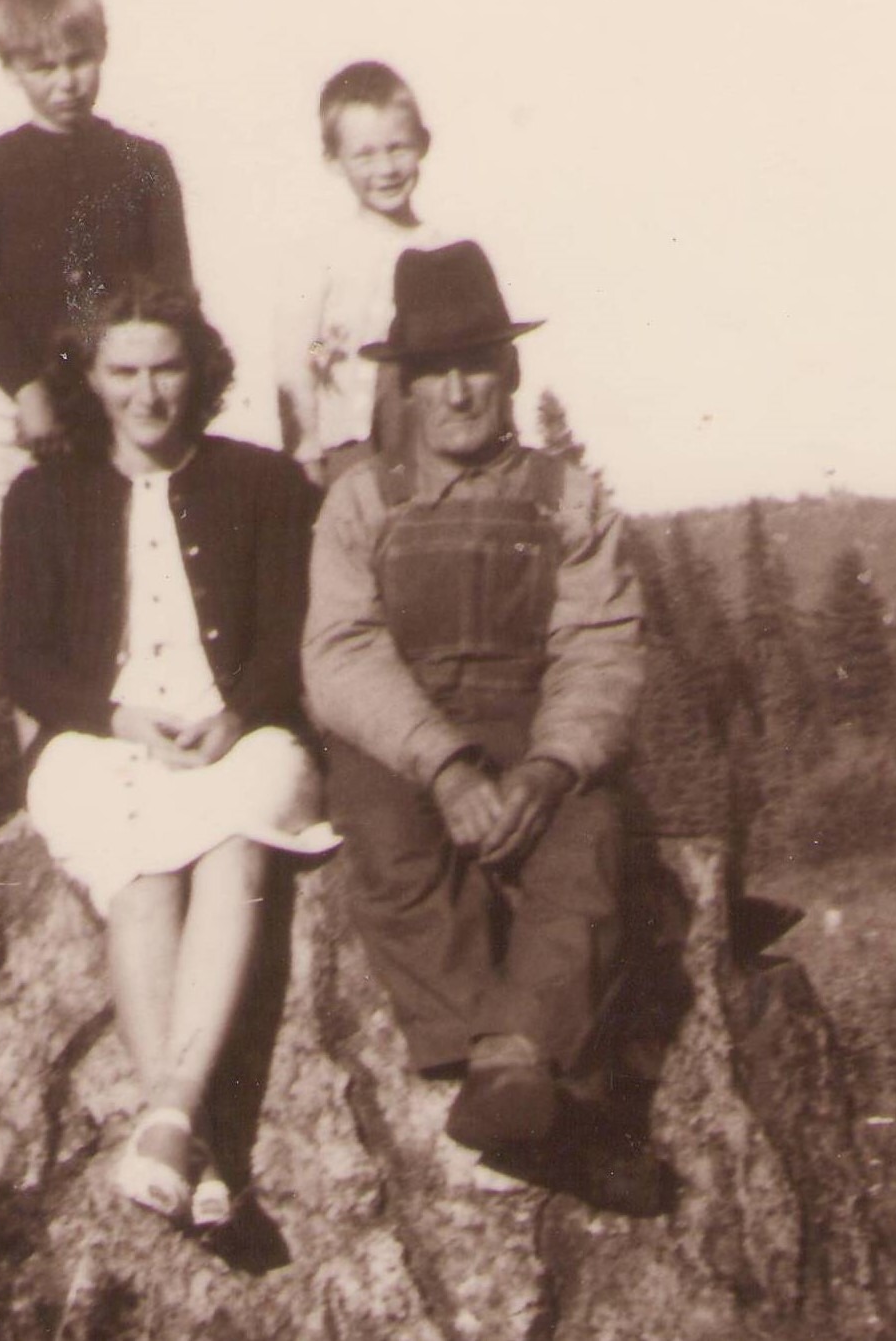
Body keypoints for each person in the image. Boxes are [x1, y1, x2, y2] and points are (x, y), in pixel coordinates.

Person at [0, 277, 336, 1226]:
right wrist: (118, 719)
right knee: (142, 875)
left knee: (238, 840)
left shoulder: (264, 483)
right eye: (124, 371)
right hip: (101, 739)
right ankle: (198, 1138)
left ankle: (171, 1117)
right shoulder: (42, 498)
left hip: (239, 729)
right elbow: (23, 661)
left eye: (167, 368)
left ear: (200, 372)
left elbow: (293, 636)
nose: (147, 394)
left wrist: (237, 714)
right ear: (92, 380)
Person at [302, 241, 644, 1160]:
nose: (457, 391)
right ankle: (519, 1068)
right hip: (409, 746)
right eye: (434, 371)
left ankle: (511, 1061)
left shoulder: (569, 498)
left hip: (536, 737)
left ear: (510, 371)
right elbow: (341, 654)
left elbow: (600, 648)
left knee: (592, 842)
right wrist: (445, 765)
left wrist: (549, 768)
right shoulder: (361, 502)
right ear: (403, 386)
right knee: (383, 833)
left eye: (477, 366)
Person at [0, 0, 192, 535]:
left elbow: (175, 289)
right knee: (17, 566)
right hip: (16, 406)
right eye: (43, 67)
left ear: (103, 48)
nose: (66, 82)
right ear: (10, 67)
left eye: (79, 60)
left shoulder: (144, 164)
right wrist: (27, 390)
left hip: (124, 400)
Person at [275, 61, 450, 487]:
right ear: (335, 161)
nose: (386, 169)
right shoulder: (328, 254)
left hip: (425, 449)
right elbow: (304, 354)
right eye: (365, 155)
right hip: (348, 447)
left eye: (398, 148)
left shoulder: (440, 250)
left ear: (423, 143)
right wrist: (307, 444)